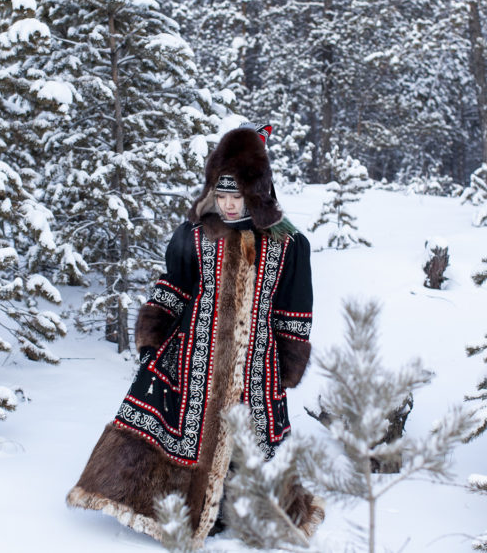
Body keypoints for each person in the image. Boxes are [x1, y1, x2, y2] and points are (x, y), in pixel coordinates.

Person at [66, 124, 323, 546]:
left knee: (246, 442)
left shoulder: (290, 245)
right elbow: (173, 288)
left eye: (233, 196)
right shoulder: (194, 235)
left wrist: (284, 368)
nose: (224, 204)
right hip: (190, 359)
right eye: (218, 195)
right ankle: (168, 507)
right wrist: (153, 342)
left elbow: (294, 315)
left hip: (254, 370)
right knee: (180, 432)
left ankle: (236, 513)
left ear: (256, 193)